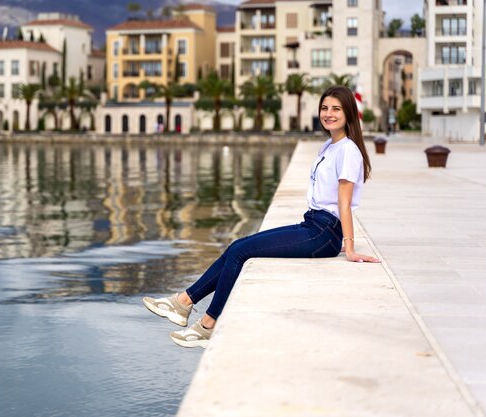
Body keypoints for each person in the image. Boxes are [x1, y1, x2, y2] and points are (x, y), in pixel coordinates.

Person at [143, 85, 380, 348]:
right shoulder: (329, 146)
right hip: (313, 223)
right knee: (237, 246)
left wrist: (349, 247)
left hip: (325, 233)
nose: (328, 114)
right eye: (324, 108)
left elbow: (344, 204)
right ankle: (183, 303)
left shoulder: (348, 150)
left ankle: (208, 324)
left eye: (336, 109)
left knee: (240, 251)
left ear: (348, 112)